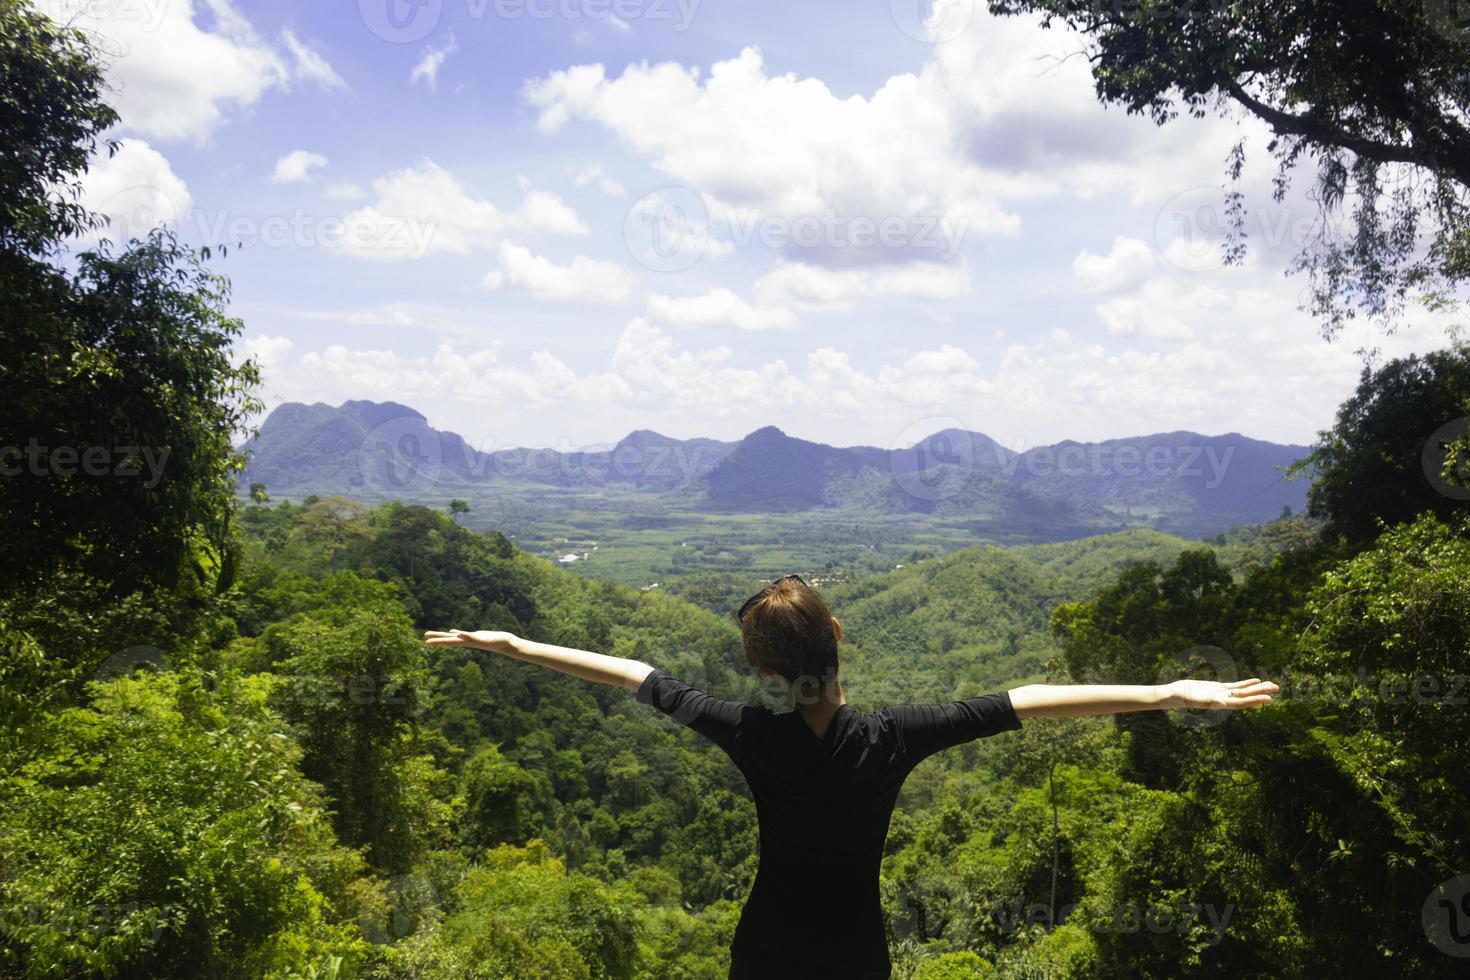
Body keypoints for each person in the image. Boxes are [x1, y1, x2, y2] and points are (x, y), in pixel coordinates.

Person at [424, 574, 1277, 978]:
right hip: (853, 953)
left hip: (764, 948)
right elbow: (1035, 700)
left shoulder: (749, 733)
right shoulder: (893, 739)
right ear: (838, 636)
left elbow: (626, 671)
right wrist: (1167, 690)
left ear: (763, 672)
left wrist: (513, 645)